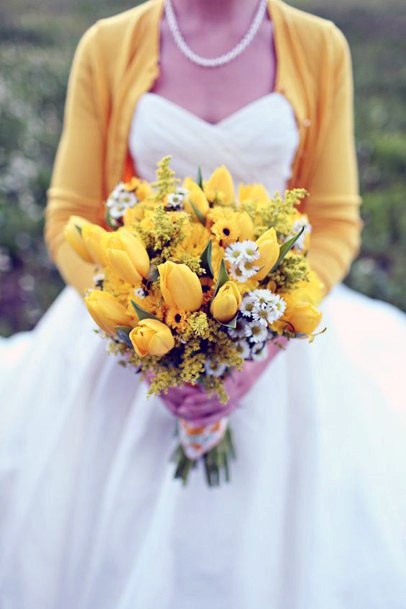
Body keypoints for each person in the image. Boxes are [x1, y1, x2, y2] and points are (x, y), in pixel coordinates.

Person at [0, 0, 405, 607]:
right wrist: (139, 331)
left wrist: (262, 344)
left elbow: (335, 221)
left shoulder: (320, 46)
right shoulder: (108, 44)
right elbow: (68, 216)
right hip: (134, 336)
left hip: (272, 332)